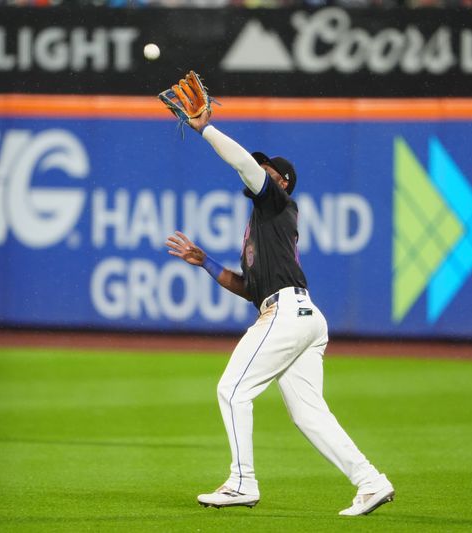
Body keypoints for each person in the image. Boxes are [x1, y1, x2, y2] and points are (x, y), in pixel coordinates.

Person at [164, 108, 395, 516]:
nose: (258, 169)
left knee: (232, 390)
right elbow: (248, 288)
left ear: (282, 181)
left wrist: (206, 129)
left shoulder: (277, 201)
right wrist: (207, 264)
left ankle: (241, 482)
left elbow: (239, 161)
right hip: (301, 316)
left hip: (288, 313)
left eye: (266, 168)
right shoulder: (260, 227)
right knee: (308, 414)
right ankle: (370, 481)